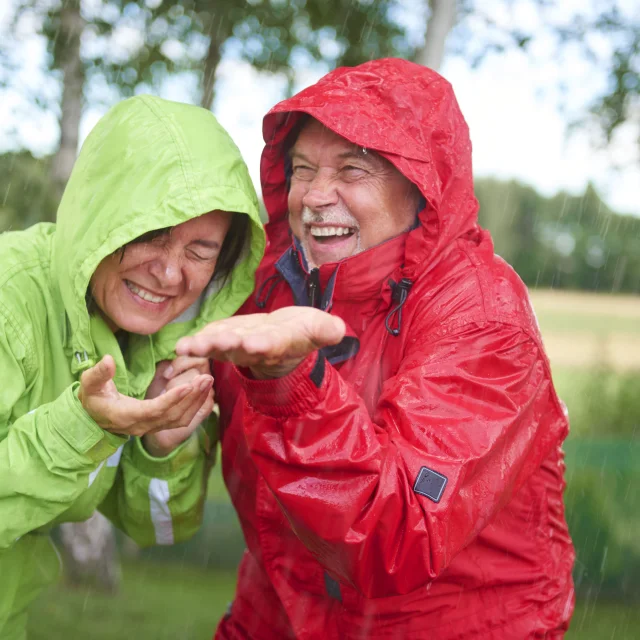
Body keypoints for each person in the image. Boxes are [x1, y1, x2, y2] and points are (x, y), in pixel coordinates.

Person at [177, 58, 576, 638]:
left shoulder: (482, 319)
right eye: (302, 169)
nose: (314, 196)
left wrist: (291, 382)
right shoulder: (265, 286)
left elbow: (396, 534)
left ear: (421, 188)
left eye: (352, 170)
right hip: (277, 615)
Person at [0, 94, 265, 639]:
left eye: (200, 249)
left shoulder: (150, 347)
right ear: (100, 217)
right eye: (150, 234)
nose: (169, 273)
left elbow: (160, 530)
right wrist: (84, 426)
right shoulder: (10, 299)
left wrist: (161, 446)